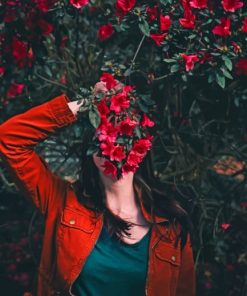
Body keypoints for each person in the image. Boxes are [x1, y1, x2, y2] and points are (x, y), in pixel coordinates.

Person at [0, 92, 196, 296]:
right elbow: (9, 139)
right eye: (104, 135)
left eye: (124, 134)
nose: (114, 143)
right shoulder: (62, 202)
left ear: (142, 147)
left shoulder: (171, 224)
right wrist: (89, 102)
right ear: (91, 150)